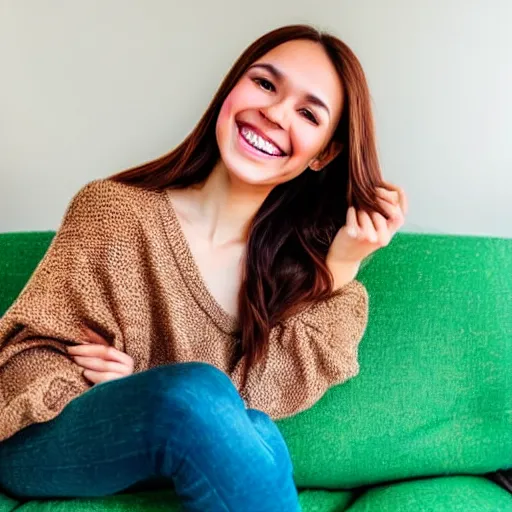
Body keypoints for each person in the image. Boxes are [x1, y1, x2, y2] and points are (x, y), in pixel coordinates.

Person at [0, 24, 407, 511]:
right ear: (230, 90)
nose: (275, 113)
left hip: (178, 455)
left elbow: (251, 404)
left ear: (326, 153)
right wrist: (141, 400)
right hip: (43, 442)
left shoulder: (325, 282)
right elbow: (18, 363)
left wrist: (337, 271)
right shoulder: (112, 212)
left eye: (307, 113)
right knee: (199, 399)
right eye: (264, 83)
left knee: (253, 429)